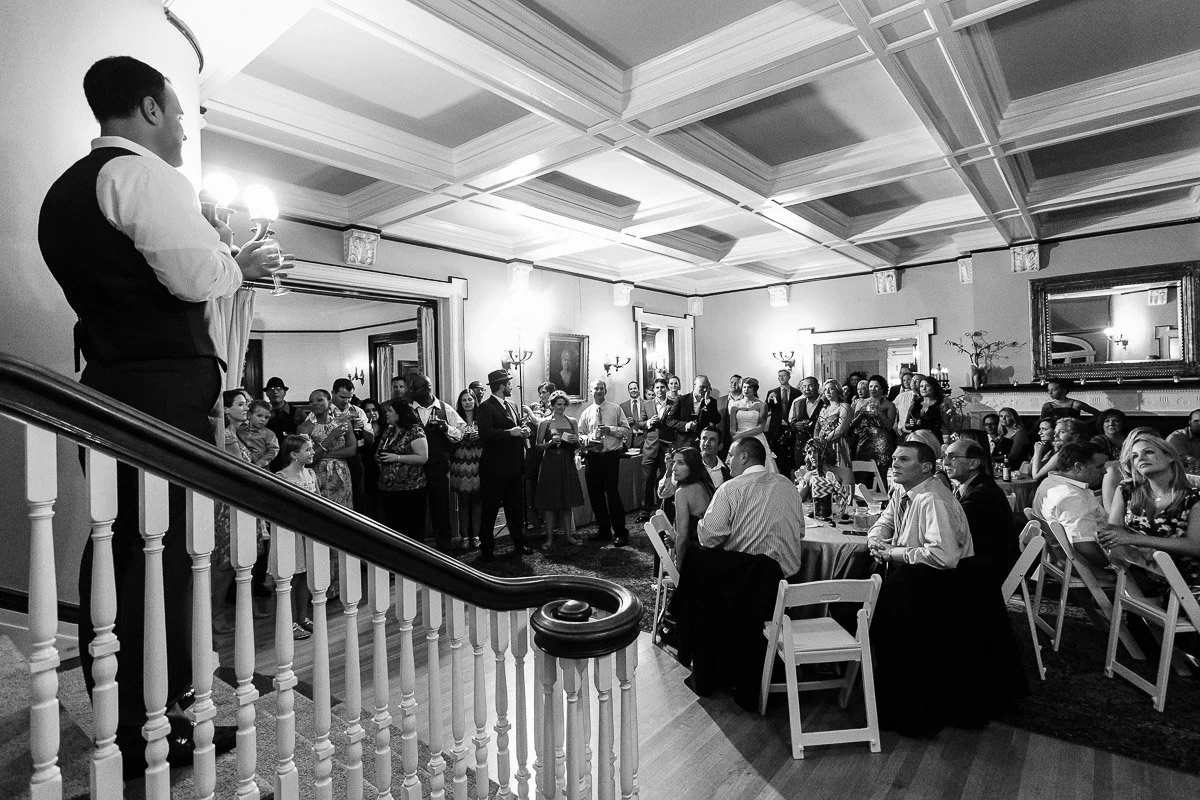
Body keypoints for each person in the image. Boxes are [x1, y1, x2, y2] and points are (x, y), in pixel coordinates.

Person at [41, 56, 286, 770]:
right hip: (157, 400)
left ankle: (141, 710)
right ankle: (160, 714)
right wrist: (235, 257)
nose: (184, 128)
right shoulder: (141, 174)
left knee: (125, 549)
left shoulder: (67, 194)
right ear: (148, 109)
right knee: (166, 555)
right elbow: (192, 276)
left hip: (113, 386)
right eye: (180, 113)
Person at [867, 441, 1027, 737]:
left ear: (925, 467)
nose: (894, 464)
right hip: (919, 575)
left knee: (889, 614)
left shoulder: (932, 498)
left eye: (903, 459)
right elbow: (886, 520)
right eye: (893, 458)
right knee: (882, 595)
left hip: (946, 585)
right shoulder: (903, 489)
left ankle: (910, 711)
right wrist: (876, 539)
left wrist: (893, 553)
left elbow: (945, 556)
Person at [1101, 431, 1200, 602]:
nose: (1141, 458)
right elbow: (1113, 531)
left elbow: (1194, 546)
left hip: (1188, 580)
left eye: (1149, 452)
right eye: (1135, 456)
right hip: (1147, 575)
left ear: (1170, 457)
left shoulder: (1193, 498)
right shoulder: (1127, 490)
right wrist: (1137, 546)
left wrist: (1139, 540)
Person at [944, 437, 1018, 588]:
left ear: (974, 463)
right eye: (944, 456)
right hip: (979, 558)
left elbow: (949, 530)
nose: (945, 463)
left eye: (953, 457)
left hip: (987, 570)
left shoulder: (981, 494)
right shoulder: (969, 485)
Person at [477, 369, 532, 560]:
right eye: (508, 383)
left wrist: (522, 431)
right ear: (501, 386)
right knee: (490, 510)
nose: (511, 386)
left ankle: (519, 543)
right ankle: (487, 548)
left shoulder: (513, 405)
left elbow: (515, 430)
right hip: (494, 468)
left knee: (515, 509)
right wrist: (511, 432)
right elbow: (485, 434)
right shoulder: (485, 407)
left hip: (514, 467)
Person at [1032, 440, 1111, 569]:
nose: (1105, 471)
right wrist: (1114, 566)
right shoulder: (1071, 497)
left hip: (1062, 560)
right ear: (1078, 467)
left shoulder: (1049, 482)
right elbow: (1085, 548)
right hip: (1086, 568)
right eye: (1099, 466)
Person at [408, 373, 465, 552]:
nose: (410, 391)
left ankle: (444, 547)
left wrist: (446, 427)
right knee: (415, 509)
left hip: (439, 466)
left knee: (441, 507)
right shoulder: (408, 409)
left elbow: (461, 433)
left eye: (414, 388)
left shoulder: (444, 408)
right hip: (414, 467)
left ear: (427, 389)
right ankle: (415, 548)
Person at [577, 379, 633, 547]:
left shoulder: (615, 409)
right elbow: (580, 434)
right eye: (596, 388)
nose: (599, 391)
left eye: (602, 388)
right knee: (595, 496)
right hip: (593, 457)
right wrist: (588, 440)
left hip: (610, 457)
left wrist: (611, 430)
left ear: (605, 391)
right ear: (591, 391)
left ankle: (620, 532)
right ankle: (603, 530)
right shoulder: (586, 413)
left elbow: (627, 430)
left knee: (613, 495)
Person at [274, 434, 317, 640]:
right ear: (293, 455)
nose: (312, 453)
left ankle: (302, 617)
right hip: (290, 532)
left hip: (308, 530)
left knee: (305, 575)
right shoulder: (281, 476)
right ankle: (287, 621)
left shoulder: (311, 474)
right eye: (308, 450)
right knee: (289, 576)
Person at [534, 390, 585, 549]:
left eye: (563, 404)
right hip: (550, 462)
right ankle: (549, 539)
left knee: (566, 501)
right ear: (552, 405)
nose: (561, 407)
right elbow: (537, 446)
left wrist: (577, 441)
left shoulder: (572, 422)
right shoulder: (545, 423)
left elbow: (578, 447)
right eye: (558, 404)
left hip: (566, 462)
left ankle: (569, 536)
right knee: (550, 502)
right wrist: (549, 443)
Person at [375, 400, 429, 540]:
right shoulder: (389, 430)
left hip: (410, 488)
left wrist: (397, 457)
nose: (386, 414)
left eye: (390, 411)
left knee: (411, 528)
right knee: (393, 527)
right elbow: (380, 451)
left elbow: (422, 457)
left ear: (400, 414)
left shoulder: (415, 431)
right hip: (388, 488)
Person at [298, 389, 356, 510]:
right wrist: (332, 436)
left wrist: (324, 453)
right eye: (311, 402)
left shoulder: (343, 422)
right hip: (317, 473)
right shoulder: (304, 427)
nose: (315, 403)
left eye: (319, 400)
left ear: (329, 402)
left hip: (341, 473)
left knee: (343, 511)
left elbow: (351, 450)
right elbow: (308, 457)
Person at [329, 377, 372, 512]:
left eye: (350, 397)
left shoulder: (358, 411)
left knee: (357, 496)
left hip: (355, 457)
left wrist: (362, 428)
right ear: (333, 393)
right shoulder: (323, 411)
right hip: (331, 459)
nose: (346, 401)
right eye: (342, 397)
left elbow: (370, 440)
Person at [635, 377, 675, 524]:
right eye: (657, 388)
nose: (660, 390)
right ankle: (645, 511)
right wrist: (648, 423)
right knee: (647, 479)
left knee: (666, 478)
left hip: (667, 447)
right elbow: (639, 423)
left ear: (667, 388)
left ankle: (665, 509)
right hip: (650, 446)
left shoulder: (674, 403)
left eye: (662, 387)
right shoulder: (647, 404)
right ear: (654, 390)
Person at [668, 447, 717, 566]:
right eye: (674, 462)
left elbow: (683, 537)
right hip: (713, 552)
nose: (674, 468)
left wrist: (678, 566)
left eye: (680, 463)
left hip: (696, 558)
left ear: (692, 466)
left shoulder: (682, 493)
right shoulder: (706, 485)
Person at [449, 389, 484, 549]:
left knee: (477, 501)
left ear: (475, 400)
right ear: (460, 403)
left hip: (479, 461)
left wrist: (480, 435)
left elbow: (490, 436)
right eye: (464, 400)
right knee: (463, 502)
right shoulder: (455, 417)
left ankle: (476, 535)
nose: (467, 402)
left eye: (470, 399)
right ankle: (464, 536)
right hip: (461, 462)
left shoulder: (482, 416)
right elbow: (450, 438)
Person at [851, 374, 898, 485]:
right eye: (871, 386)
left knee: (881, 474)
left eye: (876, 386)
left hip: (881, 442)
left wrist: (879, 412)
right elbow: (852, 424)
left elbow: (889, 426)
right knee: (860, 473)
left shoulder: (889, 405)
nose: (873, 389)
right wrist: (860, 414)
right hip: (864, 441)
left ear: (882, 388)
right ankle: (862, 500)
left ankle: (884, 500)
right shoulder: (862, 402)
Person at [728, 377, 778, 474]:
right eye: (744, 387)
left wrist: (741, 435)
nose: (746, 390)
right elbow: (732, 428)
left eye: (749, 387)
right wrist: (736, 437)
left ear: (754, 389)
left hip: (757, 437)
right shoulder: (734, 405)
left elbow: (760, 427)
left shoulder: (762, 405)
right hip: (739, 438)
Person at [666, 375, 721, 449]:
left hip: (702, 444)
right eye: (701, 387)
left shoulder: (711, 401)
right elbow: (669, 421)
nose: (704, 390)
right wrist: (686, 425)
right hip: (683, 443)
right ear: (694, 385)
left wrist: (708, 404)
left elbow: (716, 420)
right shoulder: (682, 400)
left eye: (706, 387)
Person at [809, 379, 851, 469]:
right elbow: (817, 427)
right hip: (822, 445)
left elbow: (841, 429)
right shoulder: (824, 408)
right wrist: (816, 443)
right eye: (825, 389)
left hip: (837, 444)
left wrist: (825, 440)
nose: (827, 392)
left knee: (838, 472)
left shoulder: (844, 407)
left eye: (831, 389)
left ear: (838, 390)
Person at [788, 376, 825, 470]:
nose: (806, 389)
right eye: (804, 387)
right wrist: (796, 425)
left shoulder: (825, 402)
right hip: (801, 447)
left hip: (821, 446)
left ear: (817, 386)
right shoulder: (798, 403)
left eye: (810, 386)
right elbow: (792, 422)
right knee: (801, 477)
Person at [765, 369, 797, 475]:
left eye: (784, 375)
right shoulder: (772, 392)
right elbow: (767, 409)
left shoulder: (796, 392)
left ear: (789, 377)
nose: (781, 378)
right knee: (776, 456)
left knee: (789, 459)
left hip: (791, 427)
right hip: (776, 428)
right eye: (779, 376)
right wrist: (769, 400)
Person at [904, 375, 949, 441]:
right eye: (921, 386)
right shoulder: (915, 403)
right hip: (916, 439)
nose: (923, 389)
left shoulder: (940, 404)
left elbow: (945, 425)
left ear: (934, 388)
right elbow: (906, 425)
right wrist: (911, 424)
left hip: (933, 439)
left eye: (927, 386)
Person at [238, 399, 279, 469]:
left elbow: (273, 450)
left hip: (261, 469)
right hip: (241, 465)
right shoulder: (239, 430)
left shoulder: (269, 434)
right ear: (249, 415)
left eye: (266, 417)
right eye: (259, 416)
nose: (263, 419)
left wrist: (260, 463)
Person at [264, 376, 299, 453]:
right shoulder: (263, 413)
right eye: (271, 389)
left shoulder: (296, 412)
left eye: (279, 389)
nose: (275, 392)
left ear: (284, 392)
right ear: (267, 394)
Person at [717, 373, 743, 454]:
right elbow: (714, 422)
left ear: (741, 385)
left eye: (736, 383)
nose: (733, 384)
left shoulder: (747, 401)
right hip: (722, 441)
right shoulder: (720, 400)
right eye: (732, 382)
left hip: (740, 440)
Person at [892, 372, 925, 436]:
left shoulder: (926, 399)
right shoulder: (901, 396)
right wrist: (895, 426)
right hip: (902, 432)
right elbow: (893, 410)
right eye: (912, 380)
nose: (913, 382)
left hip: (920, 433)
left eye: (917, 380)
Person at [619, 380, 644, 450]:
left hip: (644, 439)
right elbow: (618, 425)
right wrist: (625, 422)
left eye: (635, 388)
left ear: (639, 389)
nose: (633, 390)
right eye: (631, 389)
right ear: (628, 391)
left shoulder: (647, 404)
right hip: (628, 441)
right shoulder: (622, 406)